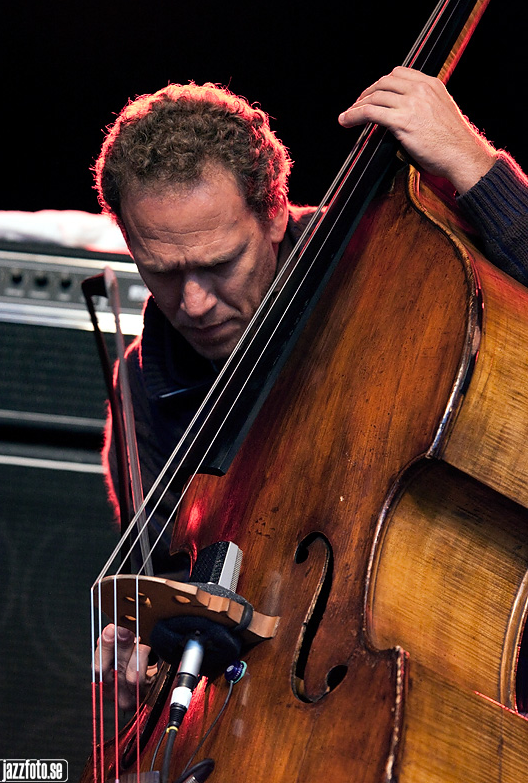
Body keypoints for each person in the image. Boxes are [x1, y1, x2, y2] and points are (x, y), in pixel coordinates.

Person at [93, 66, 528, 709]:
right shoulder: (143, 382)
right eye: (162, 270)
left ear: (273, 213)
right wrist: (149, 647)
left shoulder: (394, 259)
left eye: (218, 265)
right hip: (294, 698)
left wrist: (473, 165)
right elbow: (174, 579)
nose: (193, 302)